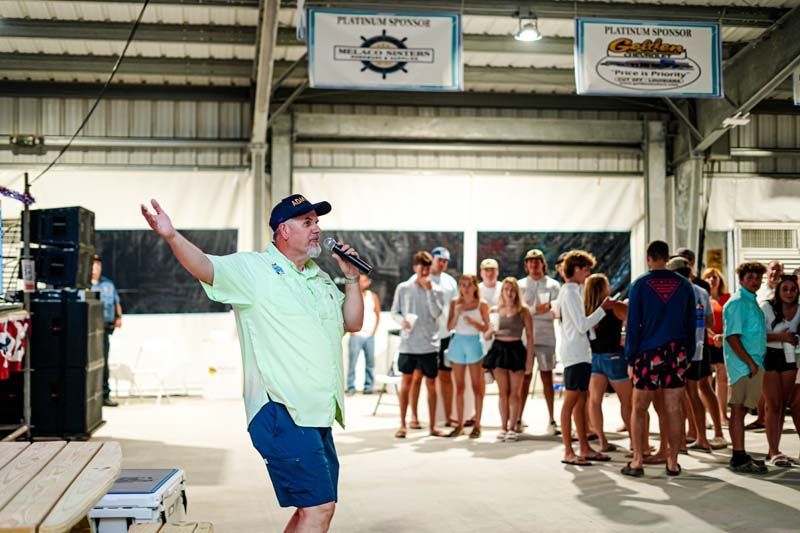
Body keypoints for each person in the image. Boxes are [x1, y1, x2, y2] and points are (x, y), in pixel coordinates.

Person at [141, 194, 364, 532]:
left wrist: (351, 279)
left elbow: (353, 323)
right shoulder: (254, 270)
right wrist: (171, 235)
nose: (317, 229)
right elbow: (204, 265)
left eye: (317, 222)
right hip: (283, 409)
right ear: (283, 231)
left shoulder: (318, 279)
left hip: (317, 413)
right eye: (308, 222)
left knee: (315, 509)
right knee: (319, 507)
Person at [621, 241, 696, 478]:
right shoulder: (684, 285)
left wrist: (630, 356)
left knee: (639, 408)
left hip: (647, 352)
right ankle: (672, 462)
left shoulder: (640, 285)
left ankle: (637, 461)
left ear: (648, 257)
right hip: (677, 351)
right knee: (674, 408)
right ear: (667, 257)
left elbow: (633, 325)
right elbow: (691, 324)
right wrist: (689, 353)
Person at [557, 251, 613, 465]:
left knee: (580, 401)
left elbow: (581, 325)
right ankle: (569, 451)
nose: (588, 273)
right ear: (577, 269)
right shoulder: (570, 293)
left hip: (580, 352)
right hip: (575, 353)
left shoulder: (573, 291)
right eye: (586, 269)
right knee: (571, 401)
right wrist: (602, 310)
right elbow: (581, 325)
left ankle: (583, 446)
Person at [667, 257, 726, 452]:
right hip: (700, 348)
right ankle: (706, 435)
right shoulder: (702, 292)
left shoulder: (674, 292)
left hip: (680, 350)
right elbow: (710, 322)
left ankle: (688, 438)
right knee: (700, 390)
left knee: (682, 394)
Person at [390, 251, 447, 438]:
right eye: (421, 266)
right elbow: (395, 312)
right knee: (406, 382)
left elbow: (436, 314)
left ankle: (432, 426)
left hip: (429, 344)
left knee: (431, 385)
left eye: (427, 266)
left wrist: (430, 290)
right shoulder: (403, 288)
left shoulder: (436, 289)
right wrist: (402, 321)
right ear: (415, 266)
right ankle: (402, 424)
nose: (424, 270)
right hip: (408, 344)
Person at [724, 261, 769, 474]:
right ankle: (738, 456)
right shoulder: (738, 302)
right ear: (741, 280)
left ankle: (740, 454)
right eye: (750, 278)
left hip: (753, 365)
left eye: (758, 278)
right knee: (738, 410)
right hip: (743, 367)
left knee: (741, 411)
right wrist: (750, 363)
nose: (755, 282)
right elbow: (732, 337)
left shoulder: (751, 302)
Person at [584, 273, 632, 454]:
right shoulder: (612, 307)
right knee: (628, 402)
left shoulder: (586, 309)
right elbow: (632, 320)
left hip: (595, 358)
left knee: (594, 401)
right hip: (614, 357)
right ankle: (636, 443)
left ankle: (602, 441)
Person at [483, 277, 533, 442]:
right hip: (498, 350)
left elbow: (530, 337)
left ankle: (513, 427)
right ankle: (503, 427)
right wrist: (490, 330)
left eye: (512, 290)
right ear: (502, 292)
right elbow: (487, 335)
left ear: (517, 292)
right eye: (506, 290)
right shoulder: (494, 310)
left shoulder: (523, 311)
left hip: (516, 350)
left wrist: (529, 361)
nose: (509, 293)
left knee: (515, 393)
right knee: (503, 393)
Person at [518, 249, 561, 435]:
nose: (534, 264)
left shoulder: (553, 285)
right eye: (530, 261)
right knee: (524, 378)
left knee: (546, 378)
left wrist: (546, 309)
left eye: (537, 261)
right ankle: (518, 418)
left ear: (543, 263)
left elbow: (556, 310)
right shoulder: (520, 285)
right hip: (525, 338)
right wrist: (537, 309)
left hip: (545, 337)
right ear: (526, 264)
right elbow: (520, 311)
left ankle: (552, 420)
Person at [760, 274, 800, 467]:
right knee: (773, 405)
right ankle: (773, 450)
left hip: (790, 358)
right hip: (769, 356)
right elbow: (757, 335)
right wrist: (781, 338)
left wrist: (795, 339)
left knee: (783, 404)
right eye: (785, 289)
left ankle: (775, 450)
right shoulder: (766, 307)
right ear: (778, 290)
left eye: (793, 289)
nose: (789, 293)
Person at [446, 275, 490, 438]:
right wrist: (457, 314)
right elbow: (449, 326)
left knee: (477, 386)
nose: (465, 288)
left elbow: (487, 328)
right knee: (459, 387)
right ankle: (459, 425)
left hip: (474, 343)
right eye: (462, 285)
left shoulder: (482, 304)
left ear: (474, 287)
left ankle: (477, 424)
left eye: (468, 285)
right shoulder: (454, 303)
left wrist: (474, 323)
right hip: (458, 342)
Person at [91, 254, 122, 408]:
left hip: (104, 330)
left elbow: (116, 303)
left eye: (98, 264)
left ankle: (104, 395)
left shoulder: (108, 284)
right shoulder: (83, 285)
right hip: (87, 331)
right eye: (93, 264)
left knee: (103, 362)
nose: (96, 268)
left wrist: (119, 317)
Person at [702, 267, 732, 426]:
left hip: (722, 341)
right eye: (708, 277)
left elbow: (731, 320)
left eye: (715, 277)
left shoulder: (727, 298)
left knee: (722, 377)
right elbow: (700, 320)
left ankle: (722, 414)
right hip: (707, 341)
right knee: (705, 379)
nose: (712, 280)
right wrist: (712, 335)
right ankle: (706, 415)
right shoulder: (702, 297)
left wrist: (723, 337)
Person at [346, 274, 381, 395]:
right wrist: (351, 332)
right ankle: (351, 387)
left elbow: (377, 314)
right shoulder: (353, 296)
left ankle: (368, 387)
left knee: (370, 363)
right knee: (352, 363)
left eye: (364, 281)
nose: (362, 283)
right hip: (356, 335)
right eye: (360, 281)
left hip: (369, 335)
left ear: (368, 282)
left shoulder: (373, 296)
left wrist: (374, 331)